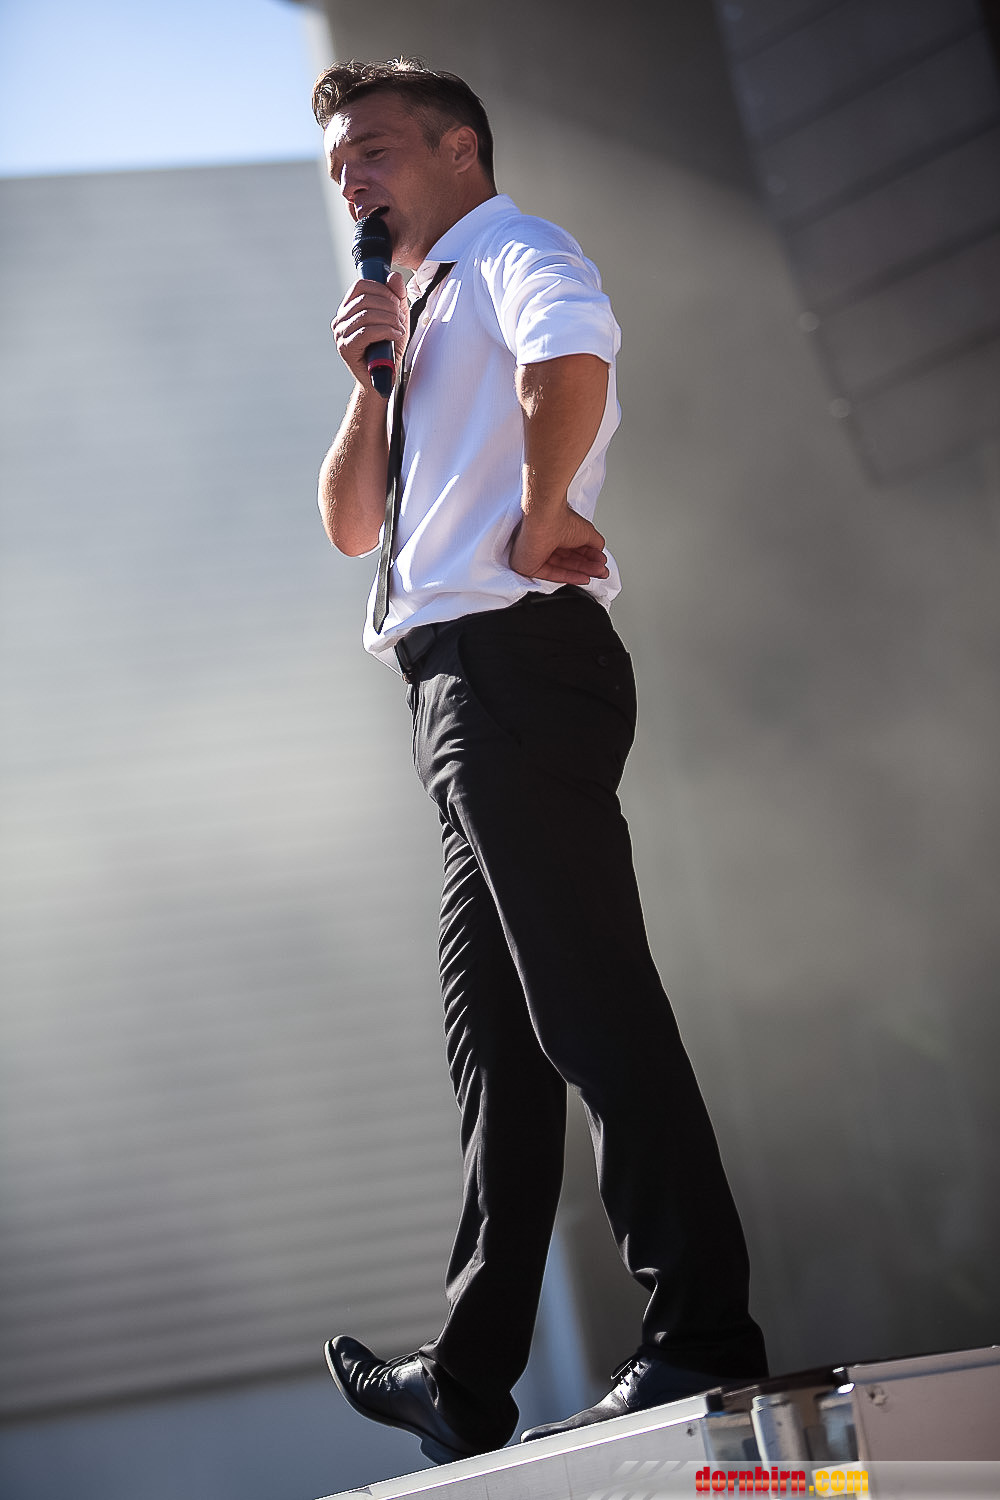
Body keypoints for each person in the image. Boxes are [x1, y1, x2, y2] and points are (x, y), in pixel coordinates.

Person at [311, 57, 767, 1466]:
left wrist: (547, 505)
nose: (354, 182)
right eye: (339, 166)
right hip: (455, 690)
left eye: (377, 150)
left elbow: (571, 360)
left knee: (587, 1003)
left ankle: (701, 1331)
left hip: (514, 658)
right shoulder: (421, 306)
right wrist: (374, 380)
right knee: (497, 1045)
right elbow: (350, 526)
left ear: (460, 147)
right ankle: (469, 1374)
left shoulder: (519, 250)